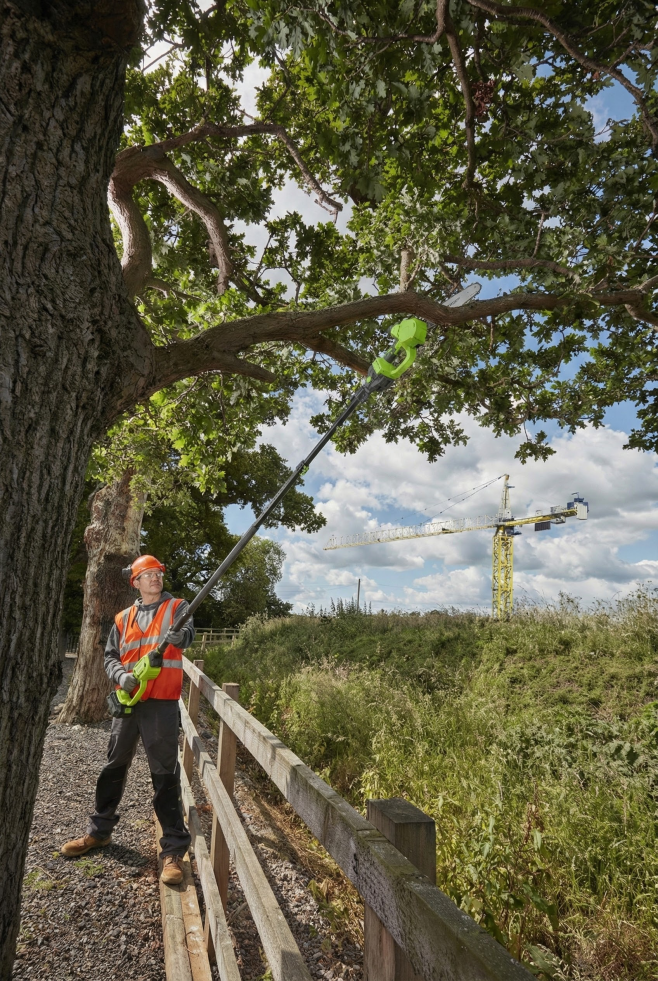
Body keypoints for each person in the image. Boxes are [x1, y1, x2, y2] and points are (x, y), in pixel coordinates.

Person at [61, 555, 195, 885]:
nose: (155, 579)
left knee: (164, 774)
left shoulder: (177, 608)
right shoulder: (123, 618)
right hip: (128, 703)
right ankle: (99, 832)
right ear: (134, 582)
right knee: (113, 766)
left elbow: (187, 635)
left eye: (158, 574)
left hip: (161, 705)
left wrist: (178, 638)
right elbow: (110, 657)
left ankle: (173, 851)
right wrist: (122, 678)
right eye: (147, 575)